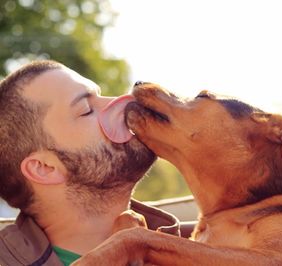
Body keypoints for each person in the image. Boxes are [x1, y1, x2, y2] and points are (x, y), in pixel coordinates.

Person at [0, 60, 180, 265]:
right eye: (86, 109)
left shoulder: (196, 244)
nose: (124, 102)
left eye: (101, 95)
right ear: (45, 168)